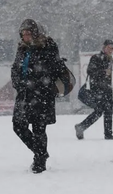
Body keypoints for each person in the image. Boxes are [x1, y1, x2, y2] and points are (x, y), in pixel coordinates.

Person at [11, 19, 70, 173]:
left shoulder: (48, 46)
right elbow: (16, 68)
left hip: (42, 95)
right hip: (24, 94)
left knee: (39, 128)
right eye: (23, 33)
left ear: (36, 33)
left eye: (28, 32)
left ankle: (39, 161)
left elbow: (54, 69)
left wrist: (38, 80)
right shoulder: (22, 49)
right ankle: (41, 152)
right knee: (18, 126)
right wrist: (18, 82)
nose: (25, 36)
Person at [75, 39, 113, 140]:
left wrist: (109, 87)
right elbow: (90, 71)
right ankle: (81, 127)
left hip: (107, 88)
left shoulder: (110, 59)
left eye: (112, 48)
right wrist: (103, 72)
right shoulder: (96, 57)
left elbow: (108, 76)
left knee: (108, 110)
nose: (111, 50)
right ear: (104, 47)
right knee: (100, 110)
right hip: (97, 89)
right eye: (109, 48)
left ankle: (108, 133)